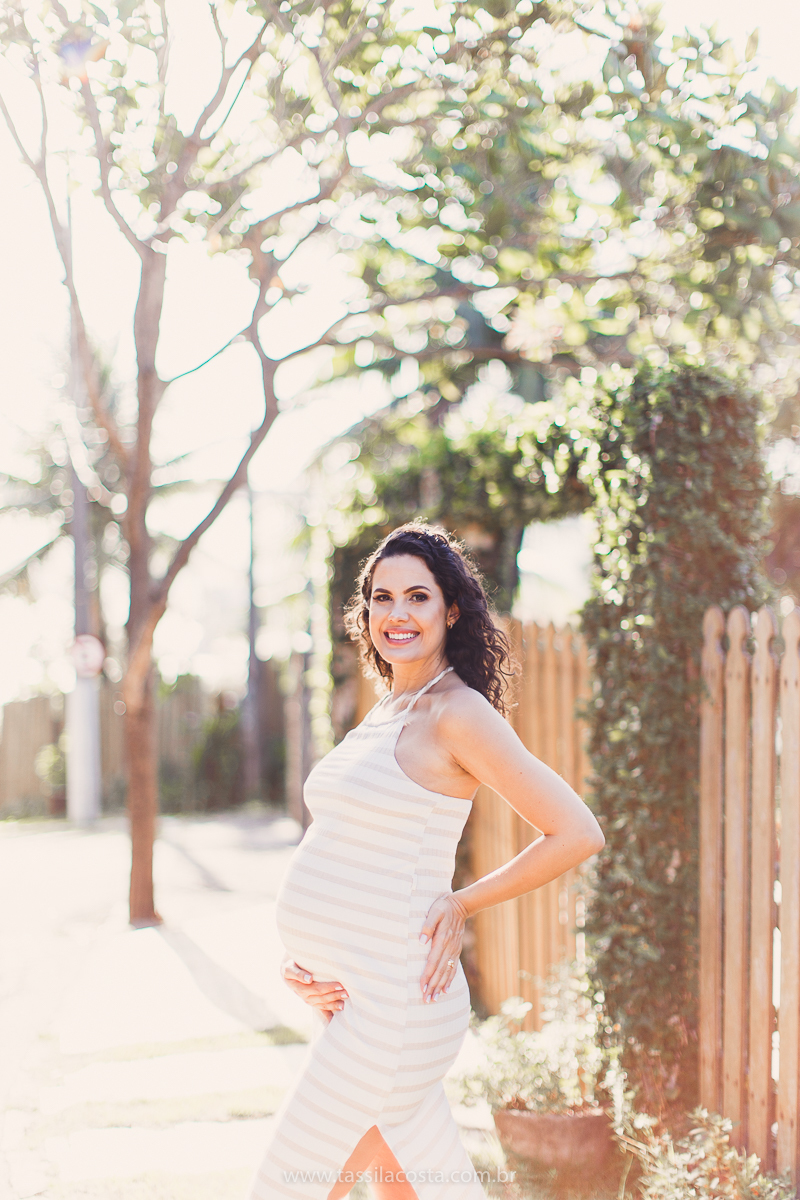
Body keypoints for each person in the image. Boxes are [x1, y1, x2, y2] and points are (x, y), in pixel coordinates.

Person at [248, 524, 604, 1200]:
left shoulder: (457, 713)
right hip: (362, 998)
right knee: (408, 1187)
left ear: (451, 611)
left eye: (417, 596)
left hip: (395, 1008)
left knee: (288, 1186)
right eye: (382, 598)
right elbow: (354, 848)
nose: (397, 614)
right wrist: (312, 962)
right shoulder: (387, 709)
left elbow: (576, 831)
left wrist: (462, 901)